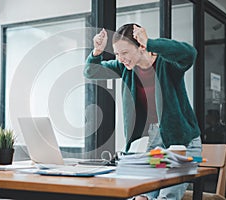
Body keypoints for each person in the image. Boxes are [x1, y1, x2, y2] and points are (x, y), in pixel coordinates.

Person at [84, 23, 202, 200]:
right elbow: (90, 72)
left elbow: (189, 54)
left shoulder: (167, 64)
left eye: (125, 53)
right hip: (153, 145)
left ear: (141, 46)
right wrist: (97, 52)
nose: (121, 58)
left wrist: (151, 43)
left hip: (182, 144)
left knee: (166, 197)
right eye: (117, 54)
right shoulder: (124, 68)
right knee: (141, 196)